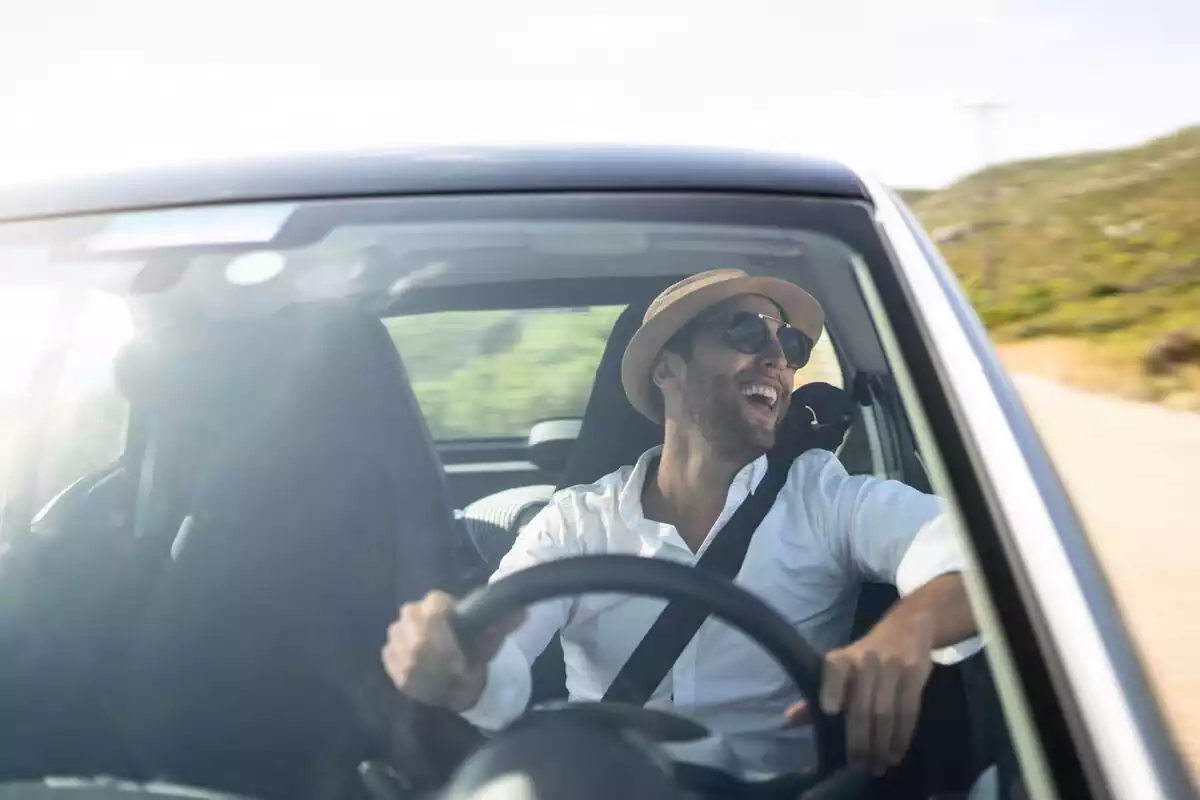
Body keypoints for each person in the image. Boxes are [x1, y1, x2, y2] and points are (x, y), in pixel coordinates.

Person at [382, 268, 980, 778]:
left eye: (791, 345)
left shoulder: (825, 496)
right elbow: (503, 659)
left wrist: (912, 627)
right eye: (746, 331)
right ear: (667, 369)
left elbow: (975, 553)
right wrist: (461, 674)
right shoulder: (576, 521)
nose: (776, 357)